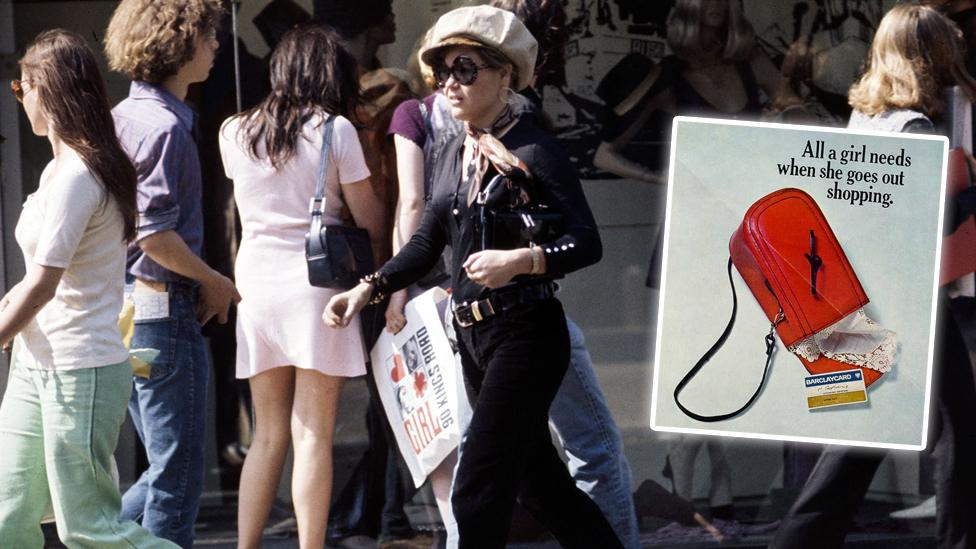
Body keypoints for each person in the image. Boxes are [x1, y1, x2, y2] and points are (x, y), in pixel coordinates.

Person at [325, 6, 624, 548]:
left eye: (466, 70)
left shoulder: (535, 148)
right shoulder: (460, 149)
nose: (450, 84)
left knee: (476, 490)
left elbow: (586, 242)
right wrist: (369, 287)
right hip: (474, 338)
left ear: (505, 73)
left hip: (526, 334)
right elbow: (425, 240)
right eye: (443, 72)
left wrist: (521, 261)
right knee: (543, 487)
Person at [769, 5, 976, 548]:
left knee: (874, 428)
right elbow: (934, 218)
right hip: (908, 297)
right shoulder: (915, 126)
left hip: (875, 290)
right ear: (930, 55)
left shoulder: (870, 116)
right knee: (949, 429)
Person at [0, 29, 177, 549]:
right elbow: (37, 273)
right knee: (8, 517)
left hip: (81, 367)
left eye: (22, 88)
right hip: (37, 363)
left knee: (89, 529)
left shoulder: (79, 173)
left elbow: (45, 283)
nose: (21, 98)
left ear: (46, 89)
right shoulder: (58, 170)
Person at [217, 25, 381, 549]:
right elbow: (370, 219)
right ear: (330, 73)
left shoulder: (233, 132)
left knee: (267, 435)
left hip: (257, 286)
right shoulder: (338, 132)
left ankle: (247, 546)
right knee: (312, 434)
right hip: (318, 288)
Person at [104, 1, 240, 546]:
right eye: (207, 36)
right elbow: (155, 235)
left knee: (167, 466)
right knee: (177, 475)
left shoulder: (122, 118)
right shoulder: (164, 129)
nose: (214, 46)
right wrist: (215, 280)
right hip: (160, 305)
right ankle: (94, 535)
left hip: (128, 305)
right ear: (178, 44)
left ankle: (96, 534)